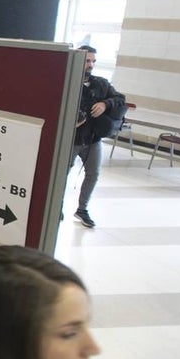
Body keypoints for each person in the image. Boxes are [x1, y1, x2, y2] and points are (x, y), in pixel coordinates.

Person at [68, 45, 125, 229]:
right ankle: (56, 206)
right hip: (71, 139)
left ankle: (82, 209)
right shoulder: (67, 82)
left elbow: (120, 100)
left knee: (93, 174)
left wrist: (105, 104)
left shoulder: (101, 84)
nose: (90, 65)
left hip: (92, 139)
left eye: (93, 61)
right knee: (61, 175)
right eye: (87, 61)